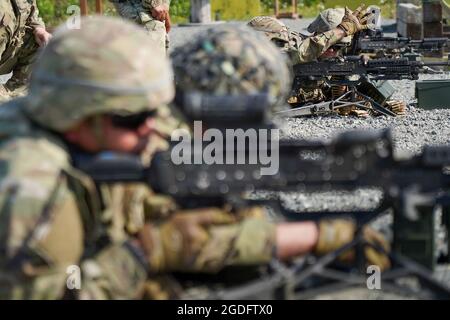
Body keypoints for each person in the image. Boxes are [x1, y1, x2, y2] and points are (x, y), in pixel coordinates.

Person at [0, 0, 52, 99]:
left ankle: (11, 95)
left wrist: (38, 28)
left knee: (38, 43)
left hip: (6, 50)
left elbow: (30, 8)